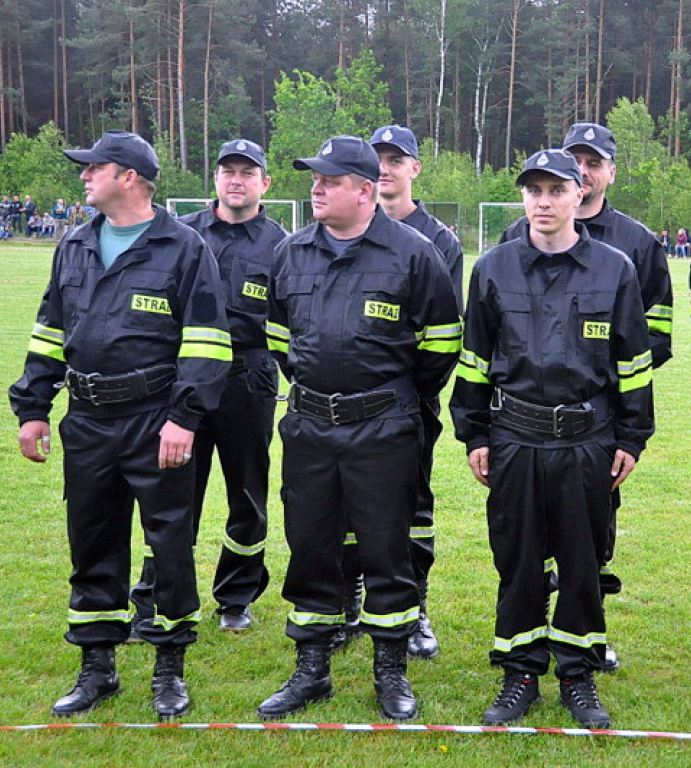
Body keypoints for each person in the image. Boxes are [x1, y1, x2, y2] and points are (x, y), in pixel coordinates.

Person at [8, 130, 233, 720]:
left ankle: (169, 669)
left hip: (154, 420)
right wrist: (33, 407)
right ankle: (97, 668)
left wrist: (184, 418)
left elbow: (207, 343)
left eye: (93, 168)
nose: (83, 177)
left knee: (169, 545)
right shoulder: (76, 244)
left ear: (129, 176)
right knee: (93, 542)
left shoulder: (184, 248)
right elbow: (50, 331)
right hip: (86, 422)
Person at [257, 135, 460, 722]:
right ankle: (312, 669)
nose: (316, 188)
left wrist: (389, 401)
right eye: (313, 179)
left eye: (329, 180)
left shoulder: (415, 254)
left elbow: (441, 347)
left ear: (365, 190)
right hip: (311, 426)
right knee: (312, 546)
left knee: (386, 549)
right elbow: (279, 339)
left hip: (385, 429)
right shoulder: (291, 252)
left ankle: (390, 672)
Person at [451, 149, 654, 728]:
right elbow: (474, 360)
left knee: (581, 559)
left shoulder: (615, 269)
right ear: (523, 198)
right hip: (514, 436)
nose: (543, 202)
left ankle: (577, 673)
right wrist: (474, 435)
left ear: (578, 194)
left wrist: (631, 438)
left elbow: (633, 362)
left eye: (555, 191)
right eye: (533, 191)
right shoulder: (492, 268)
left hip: (587, 441)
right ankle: (519, 673)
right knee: (517, 559)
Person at [502, 122, 672, 673]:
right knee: (524, 541)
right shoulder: (509, 244)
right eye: (573, 160)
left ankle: (584, 636)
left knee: (589, 537)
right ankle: (528, 646)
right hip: (524, 428)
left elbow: (649, 340)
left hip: (592, 424)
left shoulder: (635, 246)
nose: (583, 170)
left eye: (590, 163)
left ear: (601, 175)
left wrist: (615, 412)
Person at [129, 139, 286, 636]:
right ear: (214, 179)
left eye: (247, 171)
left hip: (249, 381)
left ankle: (236, 596)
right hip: (186, 384)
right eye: (227, 170)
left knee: (248, 497)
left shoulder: (284, 245)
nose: (235, 179)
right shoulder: (181, 234)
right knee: (173, 495)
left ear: (265, 183)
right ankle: (155, 595)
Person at [366, 123, 464, 660]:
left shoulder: (441, 240)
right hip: (352, 405)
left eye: (396, 159)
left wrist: (410, 394)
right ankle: (355, 601)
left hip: (410, 404)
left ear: (414, 168)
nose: (386, 167)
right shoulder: (354, 226)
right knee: (348, 510)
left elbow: (443, 335)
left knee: (413, 507)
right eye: (378, 157)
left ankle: (416, 605)